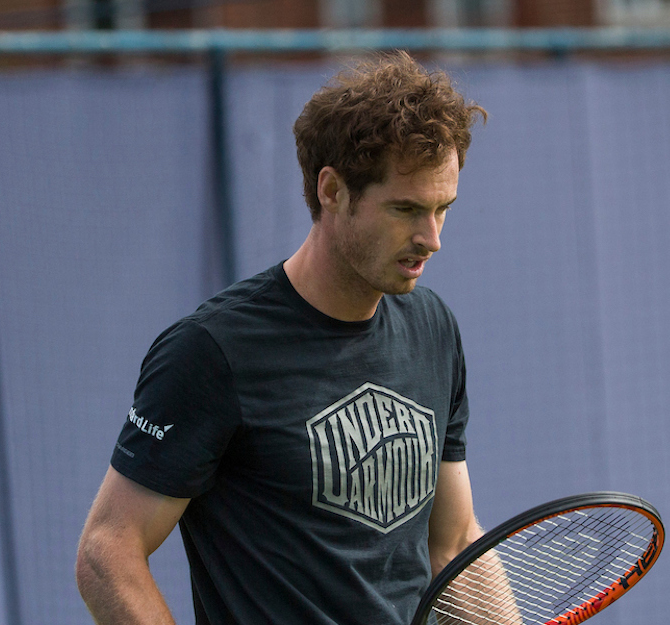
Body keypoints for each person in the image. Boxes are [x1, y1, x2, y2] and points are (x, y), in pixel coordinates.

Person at [75, 52, 489, 625]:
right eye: (406, 209)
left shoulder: (433, 329)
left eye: (444, 208)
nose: (431, 238)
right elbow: (107, 553)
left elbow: (454, 539)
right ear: (332, 190)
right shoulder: (211, 351)